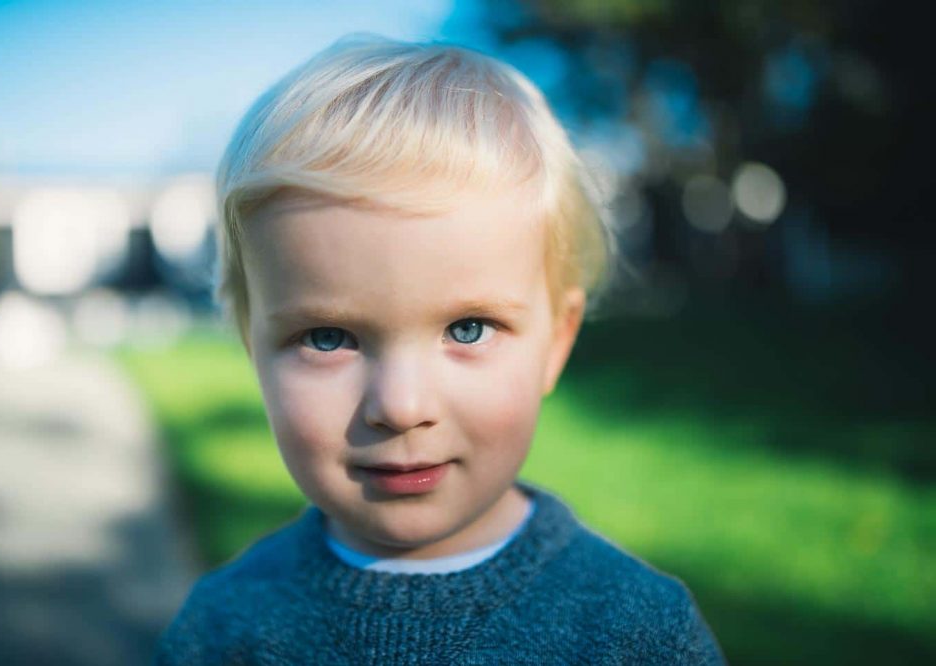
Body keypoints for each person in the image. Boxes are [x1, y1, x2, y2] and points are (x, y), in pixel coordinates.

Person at [156, 34, 726, 665]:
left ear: (556, 341)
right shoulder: (222, 629)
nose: (401, 407)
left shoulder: (635, 632)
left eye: (468, 329)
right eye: (327, 337)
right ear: (251, 347)